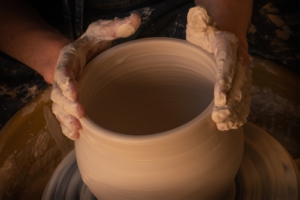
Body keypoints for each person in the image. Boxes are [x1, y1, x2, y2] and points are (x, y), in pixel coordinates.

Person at [1, 0, 289, 139]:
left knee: (237, 69)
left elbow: (221, 25)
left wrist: (223, 25)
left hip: (173, 4)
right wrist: (53, 58)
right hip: (25, 19)